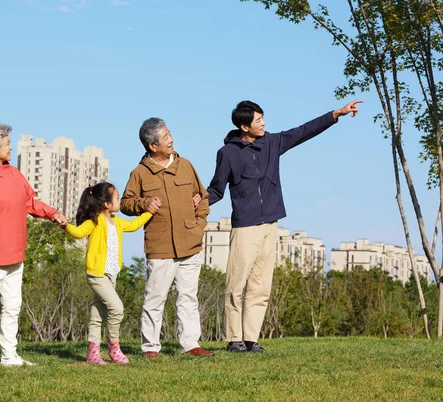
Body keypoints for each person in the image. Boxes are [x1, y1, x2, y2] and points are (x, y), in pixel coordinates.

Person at [207, 99, 362, 353]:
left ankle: (250, 339)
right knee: (236, 285)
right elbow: (216, 189)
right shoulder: (228, 153)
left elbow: (303, 131)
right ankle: (233, 339)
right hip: (245, 228)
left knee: (260, 286)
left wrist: (336, 114)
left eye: (263, 118)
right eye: (259, 120)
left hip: (271, 226)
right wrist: (196, 203)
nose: (264, 123)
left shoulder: (272, 142)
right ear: (245, 127)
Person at [0, 122, 67, 370]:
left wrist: (52, 213)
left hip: (15, 254)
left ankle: (9, 355)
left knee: (13, 307)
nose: (11, 146)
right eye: (6, 143)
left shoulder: (14, 174)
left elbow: (30, 202)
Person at [120, 117, 213, 358]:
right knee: (155, 297)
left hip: (190, 244)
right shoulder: (140, 173)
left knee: (188, 297)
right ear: (152, 145)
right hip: (160, 245)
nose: (171, 139)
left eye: (170, 134)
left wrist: (199, 225)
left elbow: (203, 198)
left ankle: (190, 344)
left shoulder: (186, 165)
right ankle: (150, 347)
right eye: (165, 137)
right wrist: (144, 202)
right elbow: (124, 203)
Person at [63, 182, 155, 365]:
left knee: (98, 315)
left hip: (111, 275)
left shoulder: (117, 222)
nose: (120, 201)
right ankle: (114, 348)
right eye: (117, 198)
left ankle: (93, 353)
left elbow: (135, 224)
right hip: (97, 275)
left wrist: (149, 212)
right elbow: (78, 232)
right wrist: (64, 224)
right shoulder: (94, 222)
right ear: (106, 203)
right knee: (117, 309)